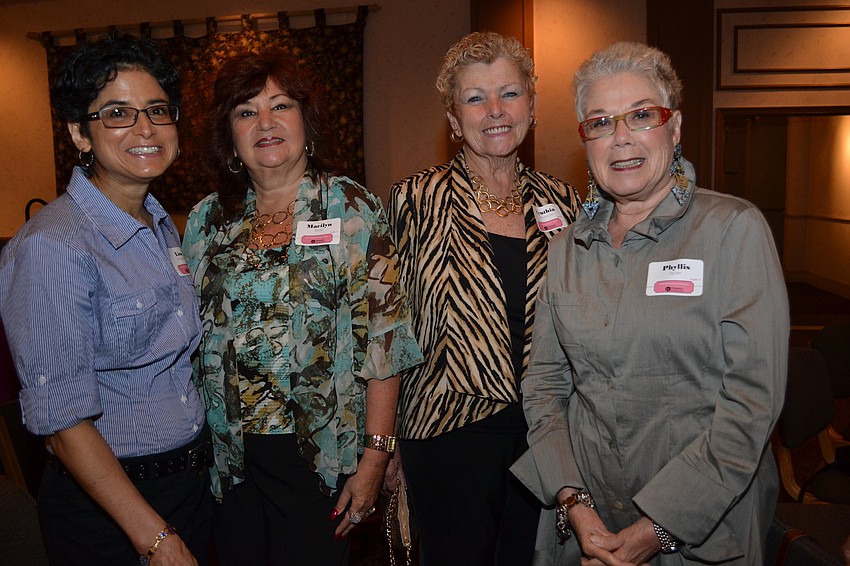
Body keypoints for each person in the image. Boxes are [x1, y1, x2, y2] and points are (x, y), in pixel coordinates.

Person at [511, 41, 789, 565]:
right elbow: (545, 387)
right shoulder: (566, 248)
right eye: (599, 122)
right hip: (585, 527)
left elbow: (751, 403)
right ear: (585, 140)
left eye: (641, 116)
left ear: (675, 127)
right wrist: (573, 502)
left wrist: (657, 527)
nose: (620, 139)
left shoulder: (733, 230)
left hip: (702, 534)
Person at [181, 48, 422, 565]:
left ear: (305, 121)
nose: (264, 123)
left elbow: (385, 338)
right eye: (246, 112)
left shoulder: (350, 207)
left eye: (280, 106)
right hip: (231, 460)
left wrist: (377, 454)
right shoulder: (206, 221)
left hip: (320, 456)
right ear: (230, 134)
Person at [0, 32, 212, 565]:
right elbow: (65, 426)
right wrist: (156, 539)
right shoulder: (53, 244)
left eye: (157, 110)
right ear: (79, 133)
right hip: (112, 510)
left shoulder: (161, 226)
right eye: (117, 112)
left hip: (187, 484)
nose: (145, 128)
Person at [387, 31, 581, 565]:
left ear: (532, 107)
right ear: (453, 119)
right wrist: (382, 440)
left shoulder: (565, 202)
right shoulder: (414, 200)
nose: (495, 110)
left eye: (509, 93)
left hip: (544, 427)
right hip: (447, 430)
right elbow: (387, 328)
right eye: (475, 98)